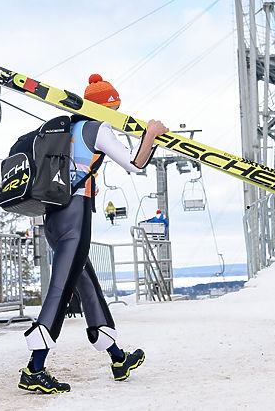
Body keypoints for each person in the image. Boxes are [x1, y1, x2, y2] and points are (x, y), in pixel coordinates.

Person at [18, 74, 169, 394]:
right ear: (107, 107)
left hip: (53, 218)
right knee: (60, 291)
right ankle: (34, 369)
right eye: (116, 108)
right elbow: (135, 163)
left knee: (88, 288)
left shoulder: (67, 129)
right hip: (75, 216)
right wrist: (151, 134)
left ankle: (118, 358)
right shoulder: (98, 128)